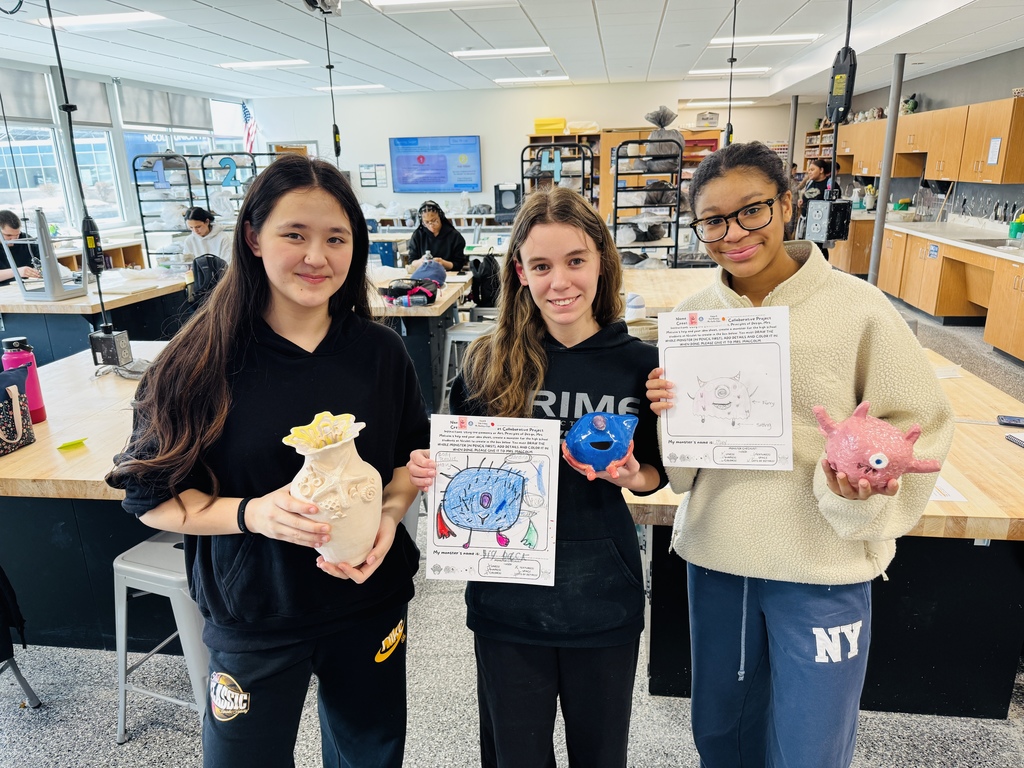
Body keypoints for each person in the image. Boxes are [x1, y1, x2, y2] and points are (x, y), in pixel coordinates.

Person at [106, 154, 430, 768]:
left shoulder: (381, 352)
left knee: (371, 752)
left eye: (336, 238)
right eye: (294, 235)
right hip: (255, 610)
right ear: (253, 238)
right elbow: (154, 502)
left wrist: (390, 517)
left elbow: (404, 463)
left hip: (369, 599)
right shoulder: (197, 361)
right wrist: (254, 514)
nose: (318, 257)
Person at [647, 141, 955, 768]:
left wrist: (862, 494)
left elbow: (916, 420)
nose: (734, 233)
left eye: (753, 211)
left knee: (811, 743)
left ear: (787, 205)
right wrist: (667, 416)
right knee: (722, 732)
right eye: (713, 219)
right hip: (718, 557)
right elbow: (681, 473)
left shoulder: (859, 308)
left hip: (822, 562)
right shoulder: (692, 320)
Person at [408, 187, 667, 768]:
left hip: (603, 594)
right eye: (542, 266)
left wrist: (631, 475)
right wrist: (434, 469)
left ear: (602, 260)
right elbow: (461, 473)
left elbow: (656, 475)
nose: (561, 282)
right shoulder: (485, 363)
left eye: (576, 261)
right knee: (515, 755)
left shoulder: (641, 365)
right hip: (506, 602)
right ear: (519, 272)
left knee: (601, 755)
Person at [405, 200, 467, 272]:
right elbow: (411, 261)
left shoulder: (454, 236)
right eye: (427, 222)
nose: (431, 225)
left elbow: (459, 264)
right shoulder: (418, 236)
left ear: (440, 217)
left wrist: (443, 263)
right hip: (424, 275)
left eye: (434, 220)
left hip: (448, 275)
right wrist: (421, 262)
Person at [0, 210, 40, 285]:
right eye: (8, 235)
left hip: (27, 285)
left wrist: (38, 272)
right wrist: (17, 272)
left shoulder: (27, 240)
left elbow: (43, 263)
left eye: (17, 235)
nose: (14, 240)